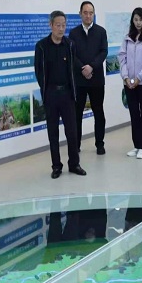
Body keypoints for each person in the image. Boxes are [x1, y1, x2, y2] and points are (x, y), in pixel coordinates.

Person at [34, 11, 87, 179]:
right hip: (50, 95)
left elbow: (72, 69)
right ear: (50, 25)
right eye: (58, 25)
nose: (61, 29)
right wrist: (46, 91)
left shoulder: (70, 45)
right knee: (53, 133)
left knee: (72, 131)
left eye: (64, 25)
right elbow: (39, 72)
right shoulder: (41, 46)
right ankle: (56, 166)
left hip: (67, 94)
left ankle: (74, 164)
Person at [118, 7, 142, 159]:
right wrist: (126, 77)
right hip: (129, 83)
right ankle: (136, 145)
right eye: (135, 20)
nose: (138, 23)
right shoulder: (127, 37)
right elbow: (122, 57)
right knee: (134, 114)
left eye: (141, 19)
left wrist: (139, 78)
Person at [69, 1, 108, 155]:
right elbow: (72, 55)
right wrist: (82, 69)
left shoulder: (101, 32)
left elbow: (103, 52)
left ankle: (100, 144)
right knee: (76, 114)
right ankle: (76, 145)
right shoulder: (73, 33)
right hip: (79, 81)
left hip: (96, 79)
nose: (88, 15)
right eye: (85, 13)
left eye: (91, 13)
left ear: (94, 14)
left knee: (99, 113)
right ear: (80, 14)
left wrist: (91, 66)